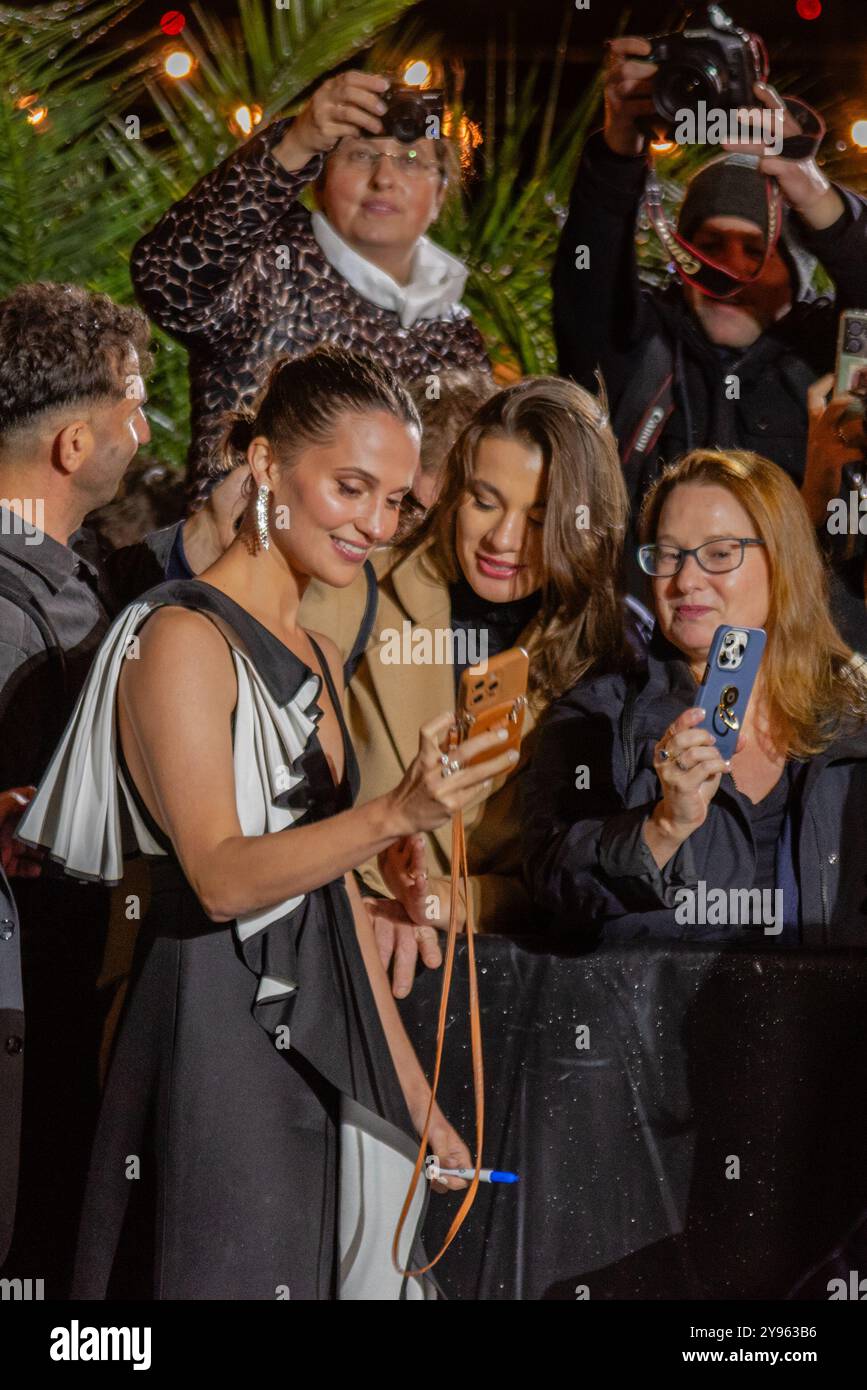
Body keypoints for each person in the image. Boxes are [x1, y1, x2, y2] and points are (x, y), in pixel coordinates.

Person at [17, 347, 515, 1300]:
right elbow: (219, 875)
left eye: (397, 500)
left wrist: (412, 1100)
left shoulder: (324, 655)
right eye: (351, 487)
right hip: (205, 1023)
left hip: (320, 1029)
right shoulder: (179, 637)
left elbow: (328, 894)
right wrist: (391, 811)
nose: (375, 523)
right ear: (263, 467)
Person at [300, 376, 648, 995]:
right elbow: (267, 802)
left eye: (539, 518)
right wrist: (360, 901)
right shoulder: (350, 587)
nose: (503, 540)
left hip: (507, 986)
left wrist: (432, 902)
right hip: (332, 955)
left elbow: (576, 880)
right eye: (485, 501)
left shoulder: (603, 660)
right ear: (455, 490)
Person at [523, 448, 867, 944]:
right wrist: (661, 828)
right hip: (658, 1016)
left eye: (720, 554)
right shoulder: (598, 717)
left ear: (782, 560)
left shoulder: (851, 720)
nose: (685, 581)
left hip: (819, 1017)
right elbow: (553, 880)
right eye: (668, 555)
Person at [552, 35, 867, 570]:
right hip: (660, 636)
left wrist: (810, 190)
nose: (731, 270)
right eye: (711, 246)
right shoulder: (642, 346)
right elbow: (588, 279)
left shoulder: (828, 353)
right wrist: (619, 146)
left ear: (793, 270)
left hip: (804, 631)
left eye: (754, 250)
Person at [131, 68, 491, 491]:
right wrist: (296, 143)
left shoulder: (458, 336)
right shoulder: (265, 265)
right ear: (320, 177)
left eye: (412, 161)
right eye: (360, 155)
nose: (385, 179)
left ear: (440, 193)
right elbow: (165, 275)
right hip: (246, 549)